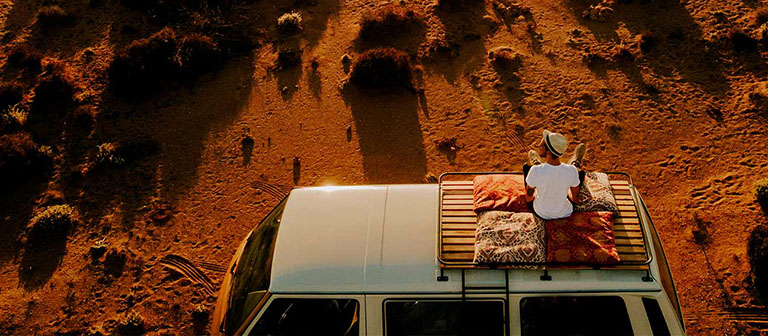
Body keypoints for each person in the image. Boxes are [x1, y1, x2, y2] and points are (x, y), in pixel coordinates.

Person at [523, 130, 586, 220]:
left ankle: (536, 162)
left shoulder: (535, 171)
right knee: (578, 173)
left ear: (548, 152)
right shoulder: (571, 171)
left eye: (542, 145)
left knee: (527, 169)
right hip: (565, 212)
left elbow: (528, 198)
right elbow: (575, 198)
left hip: (541, 213)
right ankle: (575, 162)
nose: (539, 146)